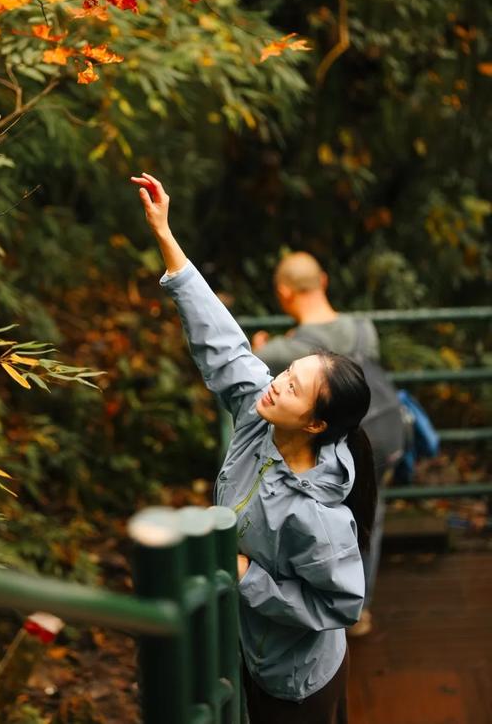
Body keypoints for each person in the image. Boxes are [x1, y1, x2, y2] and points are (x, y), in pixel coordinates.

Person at [131, 173, 377, 724]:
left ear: (314, 424)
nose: (277, 382)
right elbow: (224, 345)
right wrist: (166, 236)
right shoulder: (257, 417)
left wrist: (249, 579)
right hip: (249, 648)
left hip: (294, 681)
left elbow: (343, 604)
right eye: (287, 370)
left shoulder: (318, 516)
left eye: (292, 387)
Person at [253, 252, 383, 637]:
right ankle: (362, 608)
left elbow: (256, 366)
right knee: (367, 517)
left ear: (283, 292)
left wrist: (268, 345)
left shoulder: (283, 352)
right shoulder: (364, 328)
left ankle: (326, 606)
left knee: (324, 528)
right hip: (379, 440)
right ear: (323, 280)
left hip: (332, 448)